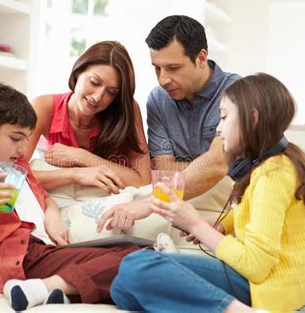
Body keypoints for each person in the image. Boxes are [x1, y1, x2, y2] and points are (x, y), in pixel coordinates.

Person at [110, 73, 305, 312]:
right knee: (122, 290)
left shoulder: (273, 175)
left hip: (266, 293)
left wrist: (196, 225)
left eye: (224, 117)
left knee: (136, 265)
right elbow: (259, 213)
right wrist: (221, 225)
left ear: (253, 119)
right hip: (258, 287)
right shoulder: (270, 168)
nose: (218, 127)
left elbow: (256, 265)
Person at [0, 82, 139, 312]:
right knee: (136, 261)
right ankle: (41, 289)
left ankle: (57, 294)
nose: (21, 149)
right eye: (15, 138)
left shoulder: (17, 166)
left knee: (134, 250)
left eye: (26, 139)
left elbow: (43, 197)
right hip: (21, 256)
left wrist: (52, 213)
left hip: (45, 251)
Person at [97, 15, 238, 232]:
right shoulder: (158, 99)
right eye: (157, 68)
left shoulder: (238, 92)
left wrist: (146, 203)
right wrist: (205, 164)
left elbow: (218, 164)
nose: (163, 80)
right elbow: (163, 169)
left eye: (173, 68)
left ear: (201, 58)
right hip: (176, 206)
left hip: (225, 211)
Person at [26, 41, 151, 195]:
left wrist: (83, 157)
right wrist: (76, 174)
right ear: (78, 72)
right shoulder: (43, 107)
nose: (98, 97)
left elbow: (144, 181)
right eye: (94, 82)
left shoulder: (126, 110)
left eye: (111, 92)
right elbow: (13, 172)